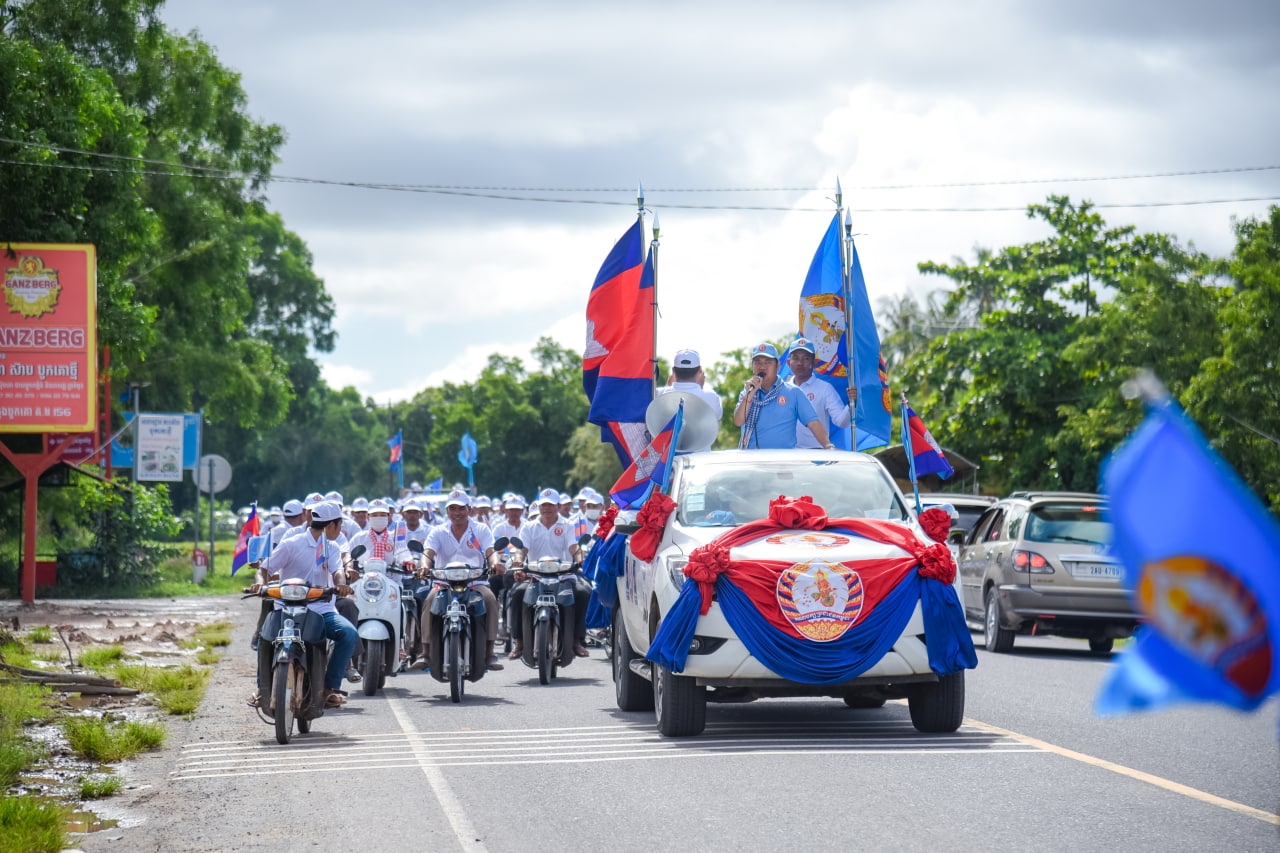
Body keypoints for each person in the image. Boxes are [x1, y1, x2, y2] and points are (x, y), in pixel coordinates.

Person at [250, 501, 357, 709]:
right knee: (265, 638)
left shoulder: (332, 547)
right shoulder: (292, 543)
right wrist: (261, 584)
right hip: (287, 610)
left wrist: (341, 585)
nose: (340, 528)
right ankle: (261, 688)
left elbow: (337, 571)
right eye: (339, 524)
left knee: (349, 634)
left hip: (322, 610)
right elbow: (266, 567)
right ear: (331, 525)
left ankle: (328, 688)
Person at [412, 490, 505, 670]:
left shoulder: (481, 530)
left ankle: (489, 653)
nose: (457, 513)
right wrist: (423, 566)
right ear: (447, 512)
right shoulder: (438, 532)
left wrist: (495, 564)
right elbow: (427, 553)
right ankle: (425, 652)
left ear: (469, 509)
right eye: (452, 509)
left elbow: (491, 552)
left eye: (461, 508)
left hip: (475, 582)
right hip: (444, 583)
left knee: (491, 600)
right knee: (429, 601)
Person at [507, 488, 589, 660]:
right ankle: (520, 641)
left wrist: (579, 558)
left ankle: (576, 639)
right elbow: (522, 549)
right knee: (516, 594)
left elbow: (574, 547)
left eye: (551, 505)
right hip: (536, 576)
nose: (547, 509)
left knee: (583, 593)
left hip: (564, 575)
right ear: (539, 506)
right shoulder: (529, 527)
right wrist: (518, 563)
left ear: (558, 506)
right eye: (544, 505)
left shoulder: (567, 525)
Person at [733, 341, 832, 450]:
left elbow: (813, 423)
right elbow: (738, 421)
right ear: (753, 366)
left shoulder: (793, 392)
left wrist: (829, 446)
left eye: (767, 362)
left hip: (783, 462)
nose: (762, 367)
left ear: (778, 366)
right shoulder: (748, 391)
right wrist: (749, 396)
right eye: (758, 362)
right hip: (752, 460)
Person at [786, 337, 853, 449]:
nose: (800, 363)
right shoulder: (783, 389)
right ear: (789, 362)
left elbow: (842, 422)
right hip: (789, 454)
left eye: (806, 358)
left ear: (814, 362)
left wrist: (851, 403)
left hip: (816, 454)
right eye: (796, 358)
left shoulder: (824, 389)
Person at [660, 348, 724, 420]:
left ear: (673, 371)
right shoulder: (711, 397)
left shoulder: (657, 394)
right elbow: (716, 418)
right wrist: (700, 388)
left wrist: (667, 387)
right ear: (700, 371)